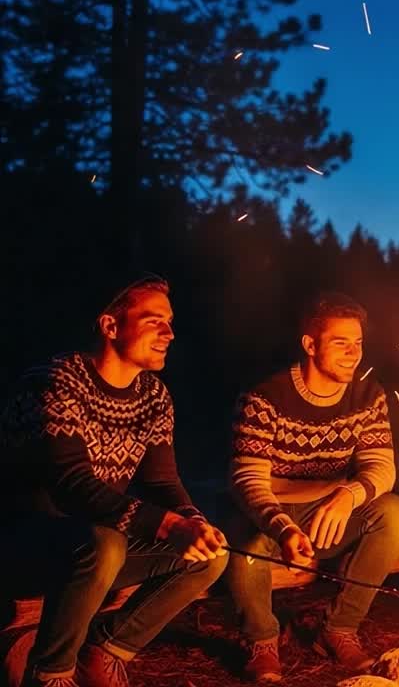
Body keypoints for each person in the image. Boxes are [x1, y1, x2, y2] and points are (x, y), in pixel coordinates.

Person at [0, 276, 228, 687]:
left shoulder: (154, 396)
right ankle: (49, 673)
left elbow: (161, 480)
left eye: (171, 322)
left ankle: (105, 651)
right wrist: (167, 525)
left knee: (211, 553)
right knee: (105, 544)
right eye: (154, 321)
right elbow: (70, 482)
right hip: (23, 543)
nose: (169, 333)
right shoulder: (53, 382)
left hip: (95, 547)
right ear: (110, 326)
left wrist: (191, 520)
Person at [225, 293, 399, 681]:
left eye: (358, 343)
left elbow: (381, 468)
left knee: (394, 513)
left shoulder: (367, 395)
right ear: (310, 345)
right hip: (270, 514)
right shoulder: (265, 396)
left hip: (330, 512)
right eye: (340, 342)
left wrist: (348, 495)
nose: (353, 353)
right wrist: (282, 526)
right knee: (247, 544)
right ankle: (261, 640)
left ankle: (338, 629)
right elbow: (247, 480)